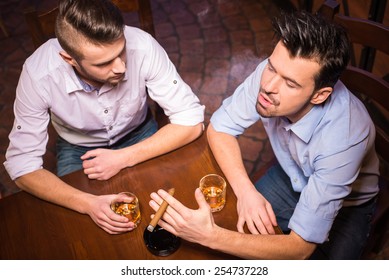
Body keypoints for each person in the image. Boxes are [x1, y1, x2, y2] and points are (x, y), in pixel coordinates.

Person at [149, 10, 379, 259]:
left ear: (319, 95)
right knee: (234, 232)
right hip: (288, 175)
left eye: (290, 84)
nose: (268, 86)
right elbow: (220, 128)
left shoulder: (343, 139)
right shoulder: (271, 76)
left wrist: (209, 236)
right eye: (271, 67)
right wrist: (246, 191)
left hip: (349, 207)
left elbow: (300, 249)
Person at [4, 0, 204, 234]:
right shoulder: (39, 74)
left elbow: (191, 120)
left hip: (139, 132)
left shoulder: (142, 45)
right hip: (77, 148)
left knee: (172, 205)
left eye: (121, 53)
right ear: (69, 59)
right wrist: (87, 204)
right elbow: (22, 167)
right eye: (104, 63)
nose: (120, 67)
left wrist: (123, 157)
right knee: (82, 231)